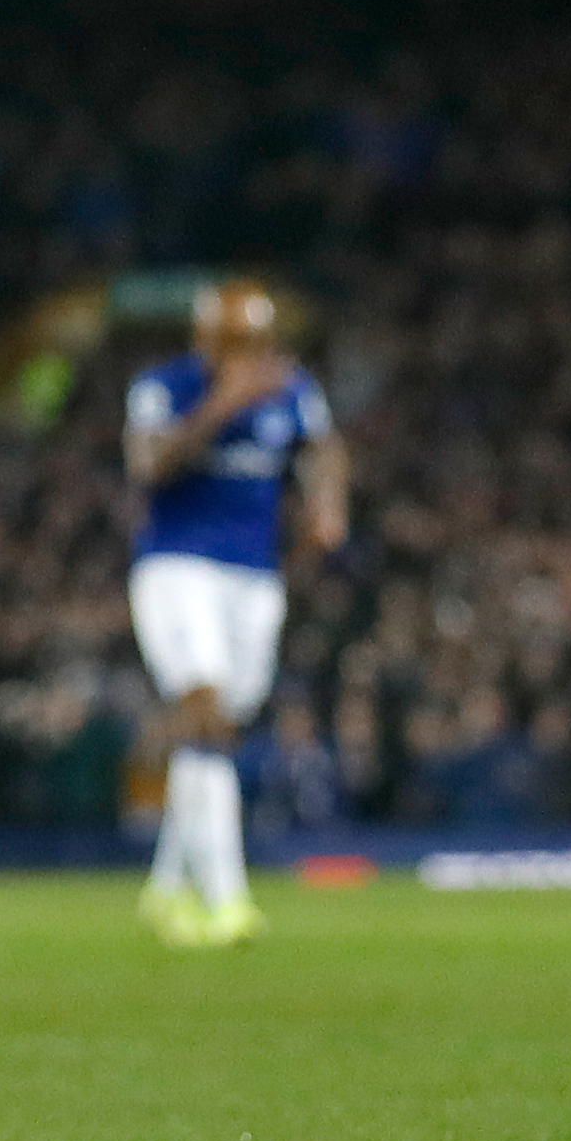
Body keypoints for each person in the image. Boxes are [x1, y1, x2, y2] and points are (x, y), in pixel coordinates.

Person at [121, 280, 349, 948]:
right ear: (206, 340)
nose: (250, 355)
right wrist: (222, 406)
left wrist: (328, 505)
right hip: (177, 567)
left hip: (256, 577)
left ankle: (165, 890)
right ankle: (227, 902)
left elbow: (325, 448)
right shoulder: (165, 388)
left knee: (220, 728)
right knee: (208, 711)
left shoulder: (295, 389)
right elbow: (149, 465)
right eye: (235, 343)